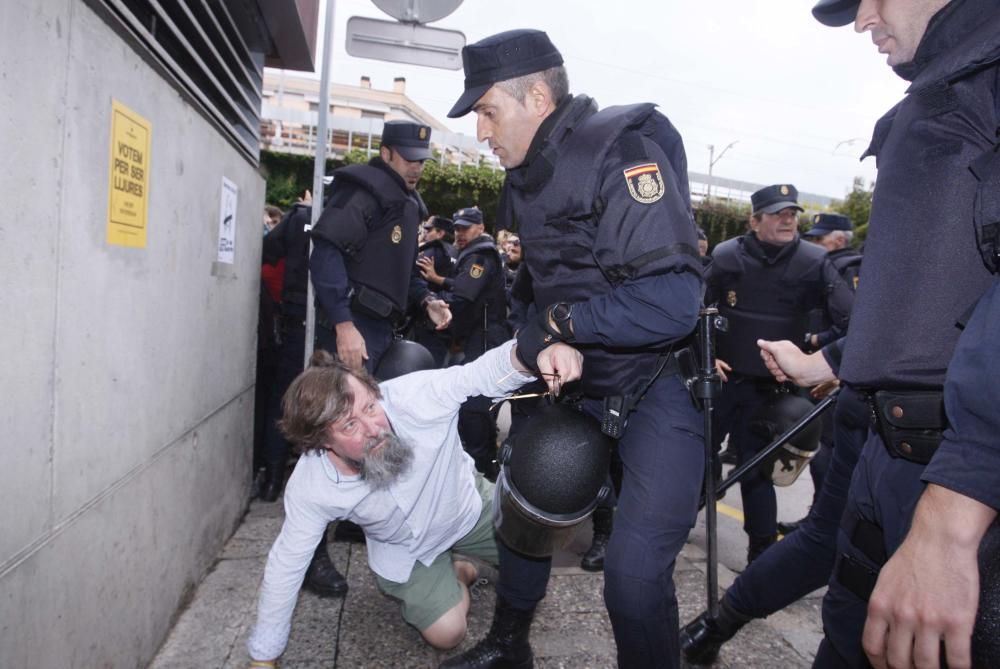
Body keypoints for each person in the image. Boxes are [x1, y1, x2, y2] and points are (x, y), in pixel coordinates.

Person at [444, 29, 705, 669]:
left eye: (486, 110)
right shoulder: (528, 173)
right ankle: (509, 646)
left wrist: (563, 325)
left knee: (635, 577)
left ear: (537, 96)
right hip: (570, 383)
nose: (481, 130)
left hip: (654, 385)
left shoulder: (623, 155)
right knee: (527, 508)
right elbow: (541, 284)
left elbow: (673, 301)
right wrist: (547, 339)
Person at [770, 2, 1000, 667]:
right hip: (887, 461)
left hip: (959, 481)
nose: (863, 18)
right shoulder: (941, 89)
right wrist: (831, 362)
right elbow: (935, 294)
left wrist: (955, 514)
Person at [245, 338, 585, 667]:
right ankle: (463, 572)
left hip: (467, 509)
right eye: (349, 425)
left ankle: (469, 562)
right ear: (321, 442)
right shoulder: (312, 484)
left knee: (534, 555)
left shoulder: (417, 397)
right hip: (407, 549)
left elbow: (481, 372)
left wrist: (534, 350)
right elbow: (286, 564)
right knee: (448, 633)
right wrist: (264, 656)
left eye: (370, 407)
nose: (373, 428)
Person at [704, 184, 854, 564]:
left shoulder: (814, 262)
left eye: (792, 213)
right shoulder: (725, 256)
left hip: (771, 392)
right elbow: (693, 311)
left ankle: (760, 554)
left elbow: (852, 320)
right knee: (696, 461)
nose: (788, 219)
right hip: (721, 383)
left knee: (756, 474)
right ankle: (670, 538)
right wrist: (706, 355)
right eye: (778, 213)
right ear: (754, 221)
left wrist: (819, 357)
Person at [309, 120, 451, 375]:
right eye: (409, 159)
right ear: (386, 154)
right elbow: (325, 254)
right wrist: (343, 325)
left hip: (382, 329)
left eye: (421, 161)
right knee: (340, 411)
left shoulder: (407, 204)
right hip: (353, 326)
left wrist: (427, 301)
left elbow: (403, 275)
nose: (416, 168)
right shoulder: (364, 193)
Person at [414, 215, 457, 366]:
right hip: (449, 320)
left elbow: (413, 280)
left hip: (428, 321)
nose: (425, 233)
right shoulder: (459, 253)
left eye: (429, 229)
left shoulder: (430, 251)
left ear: (440, 233)